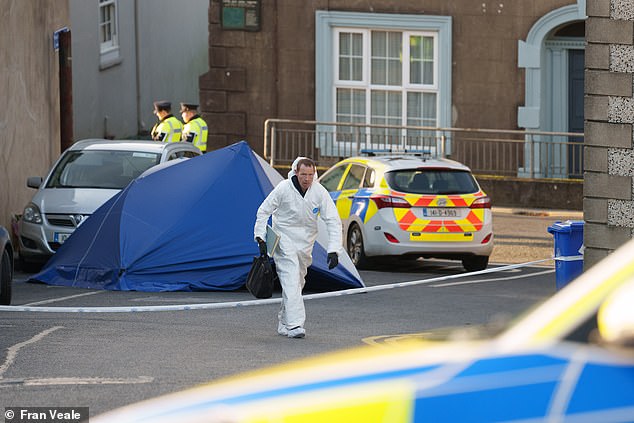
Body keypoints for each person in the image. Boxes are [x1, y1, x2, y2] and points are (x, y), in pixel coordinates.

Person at [254, 157, 342, 339]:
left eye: (311, 175)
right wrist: (260, 238)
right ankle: (295, 325)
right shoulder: (283, 188)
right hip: (284, 238)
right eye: (304, 174)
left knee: (296, 282)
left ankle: (284, 322)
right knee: (291, 278)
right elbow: (264, 211)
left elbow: (333, 220)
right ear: (296, 172)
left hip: (306, 243)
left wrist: (334, 249)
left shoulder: (319, 192)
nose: (307, 178)